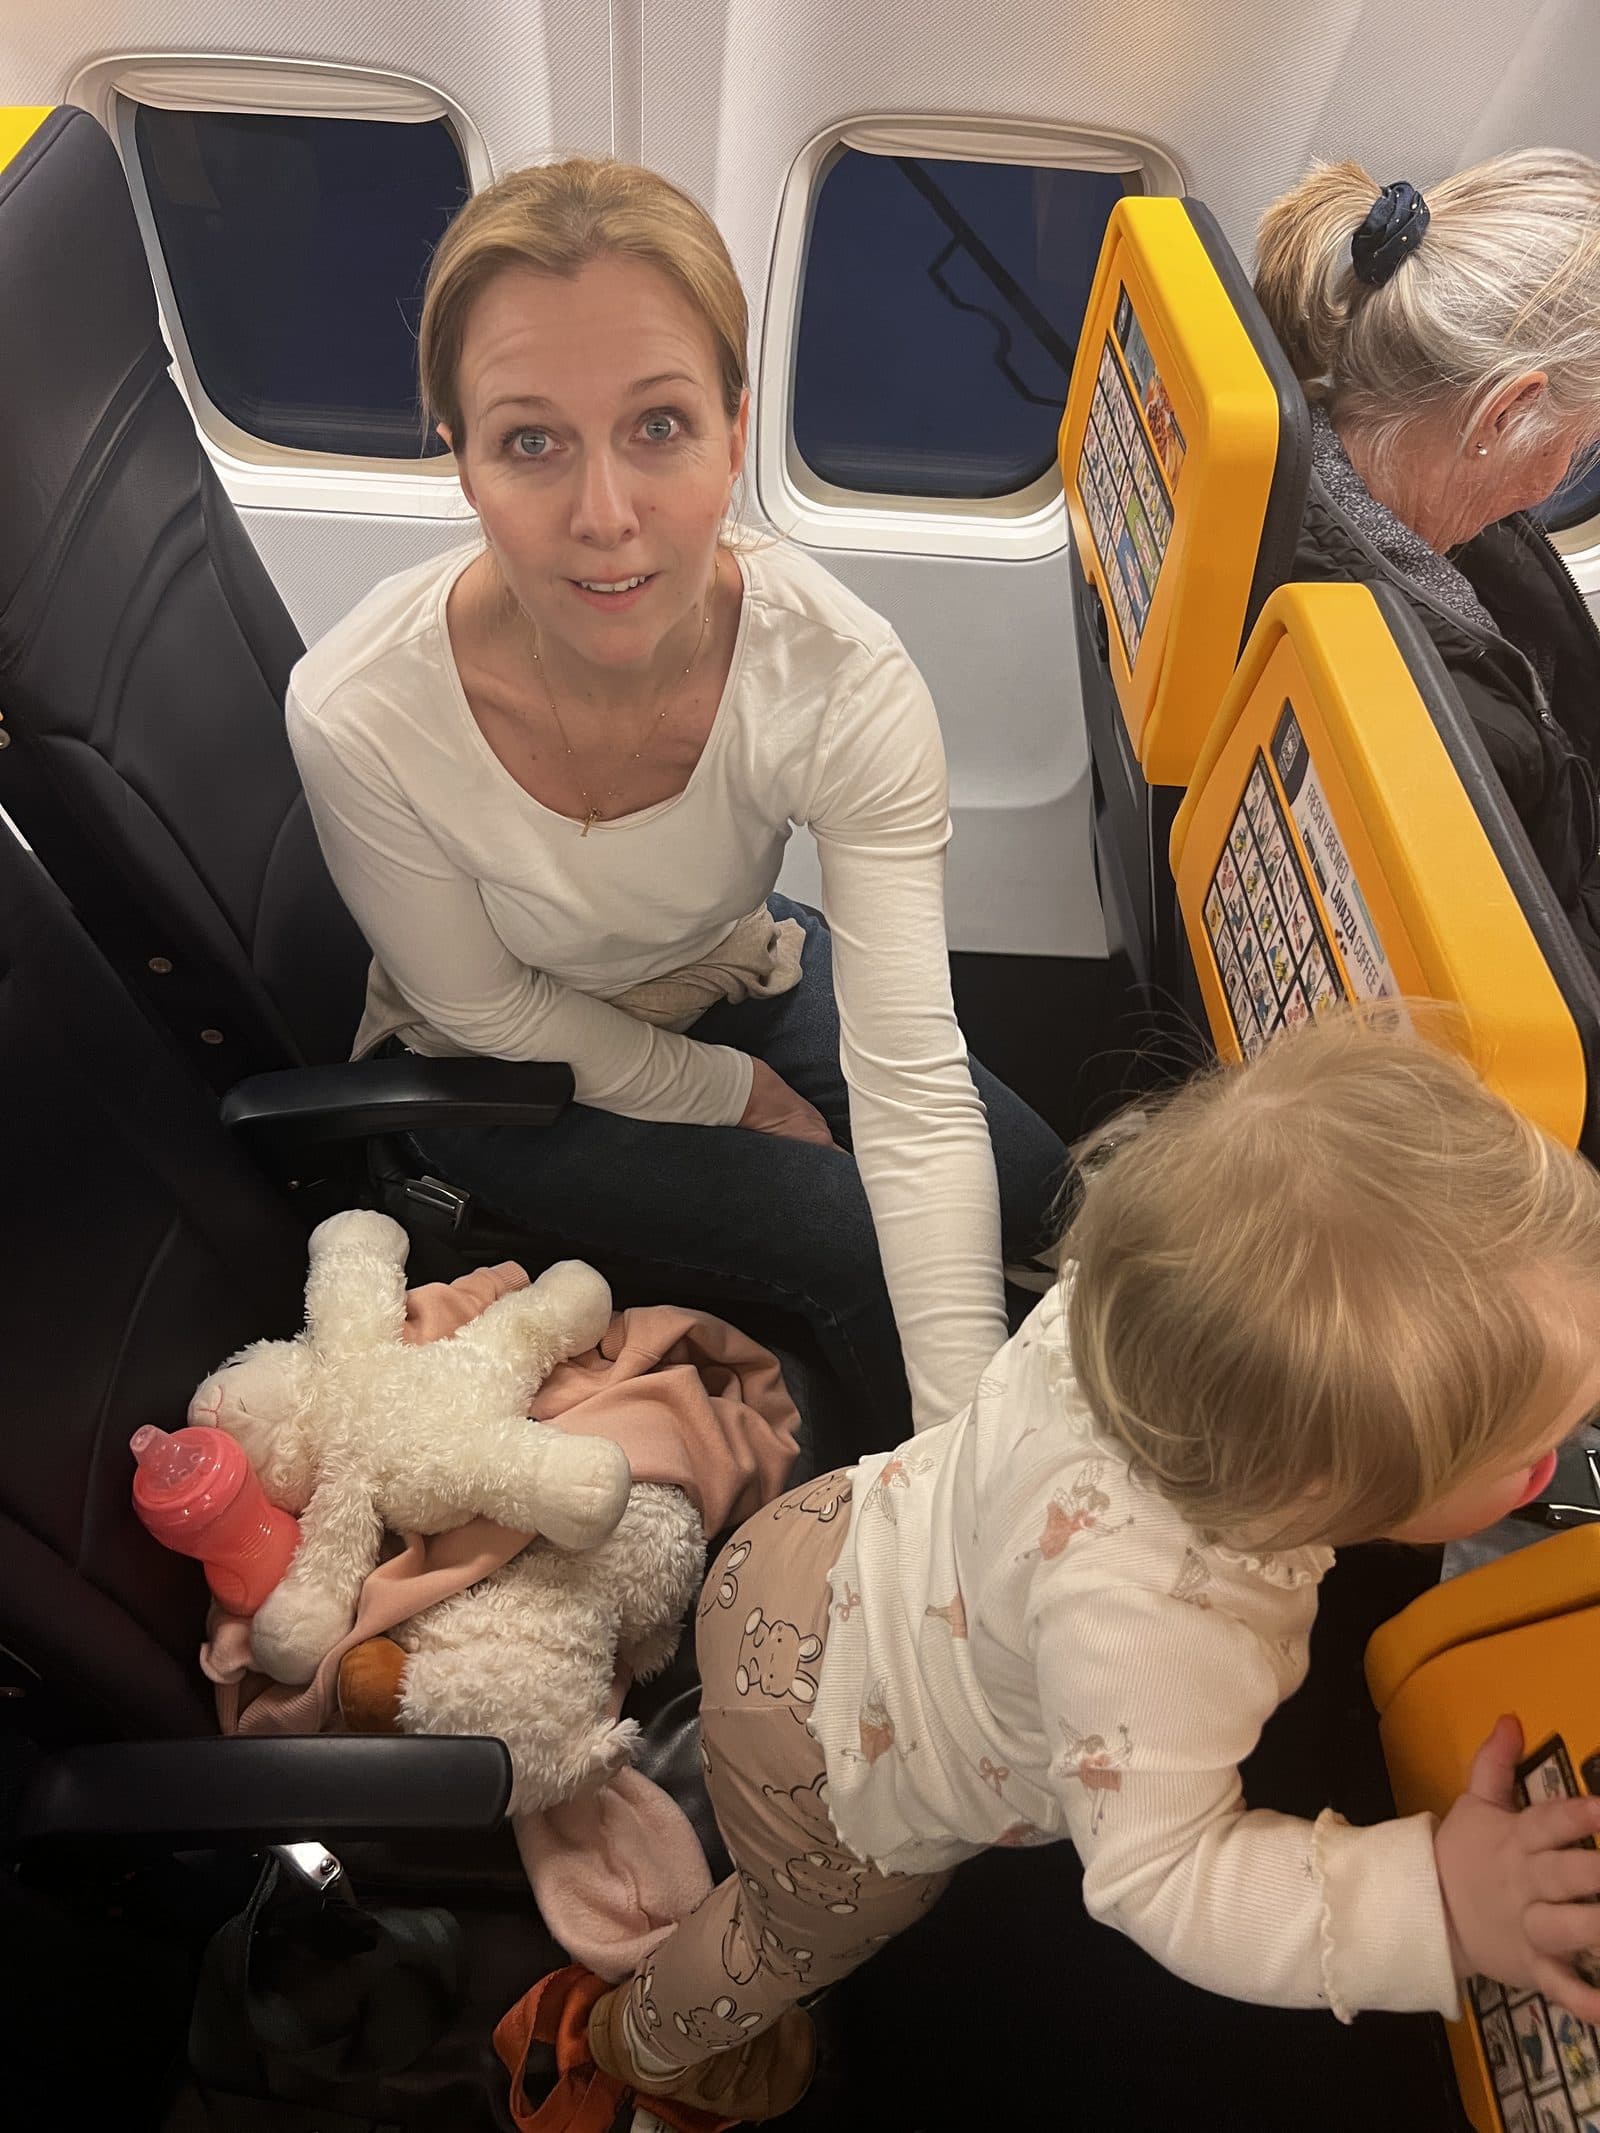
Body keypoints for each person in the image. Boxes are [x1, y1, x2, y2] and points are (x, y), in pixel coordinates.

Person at [569, 1012, 1600, 2122]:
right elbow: (1165, 1878)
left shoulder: (1149, 1285)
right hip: (831, 1779)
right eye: (1533, 1453)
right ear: (1309, 1497)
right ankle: (644, 2039)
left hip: (809, 1550)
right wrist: (1434, 1901)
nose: (1556, 1456)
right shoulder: (1158, 1623)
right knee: (794, 1934)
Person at [285, 159, 1066, 1446]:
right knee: (856, 1243)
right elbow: (479, 1007)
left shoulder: (836, 674)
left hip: (724, 965)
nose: (607, 518)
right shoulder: (360, 708)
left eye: (657, 427)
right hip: (502, 1073)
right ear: (462, 462)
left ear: (734, 428)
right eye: (531, 442)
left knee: (1038, 1197)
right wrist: (732, 1096)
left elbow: (915, 1087)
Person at [1253, 153, 1600, 972]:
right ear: (1506, 410)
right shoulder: (1451, 708)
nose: (1572, 465)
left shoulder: (1303, 489)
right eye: (1581, 437)